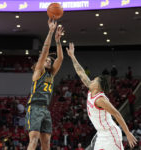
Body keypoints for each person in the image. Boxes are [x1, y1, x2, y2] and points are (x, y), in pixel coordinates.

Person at [66, 43, 137, 150]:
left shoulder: (101, 100)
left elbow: (117, 114)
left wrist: (127, 133)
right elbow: (81, 73)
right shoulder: (91, 88)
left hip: (110, 135)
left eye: (95, 80)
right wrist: (72, 56)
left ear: (98, 86)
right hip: (101, 134)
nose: (92, 80)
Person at [25, 19, 64, 150]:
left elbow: (60, 59)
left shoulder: (51, 74)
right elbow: (45, 50)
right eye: (46, 60)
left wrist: (58, 41)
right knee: (34, 138)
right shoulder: (38, 71)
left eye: (49, 61)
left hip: (45, 109)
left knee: (46, 141)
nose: (48, 61)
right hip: (34, 107)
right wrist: (51, 32)